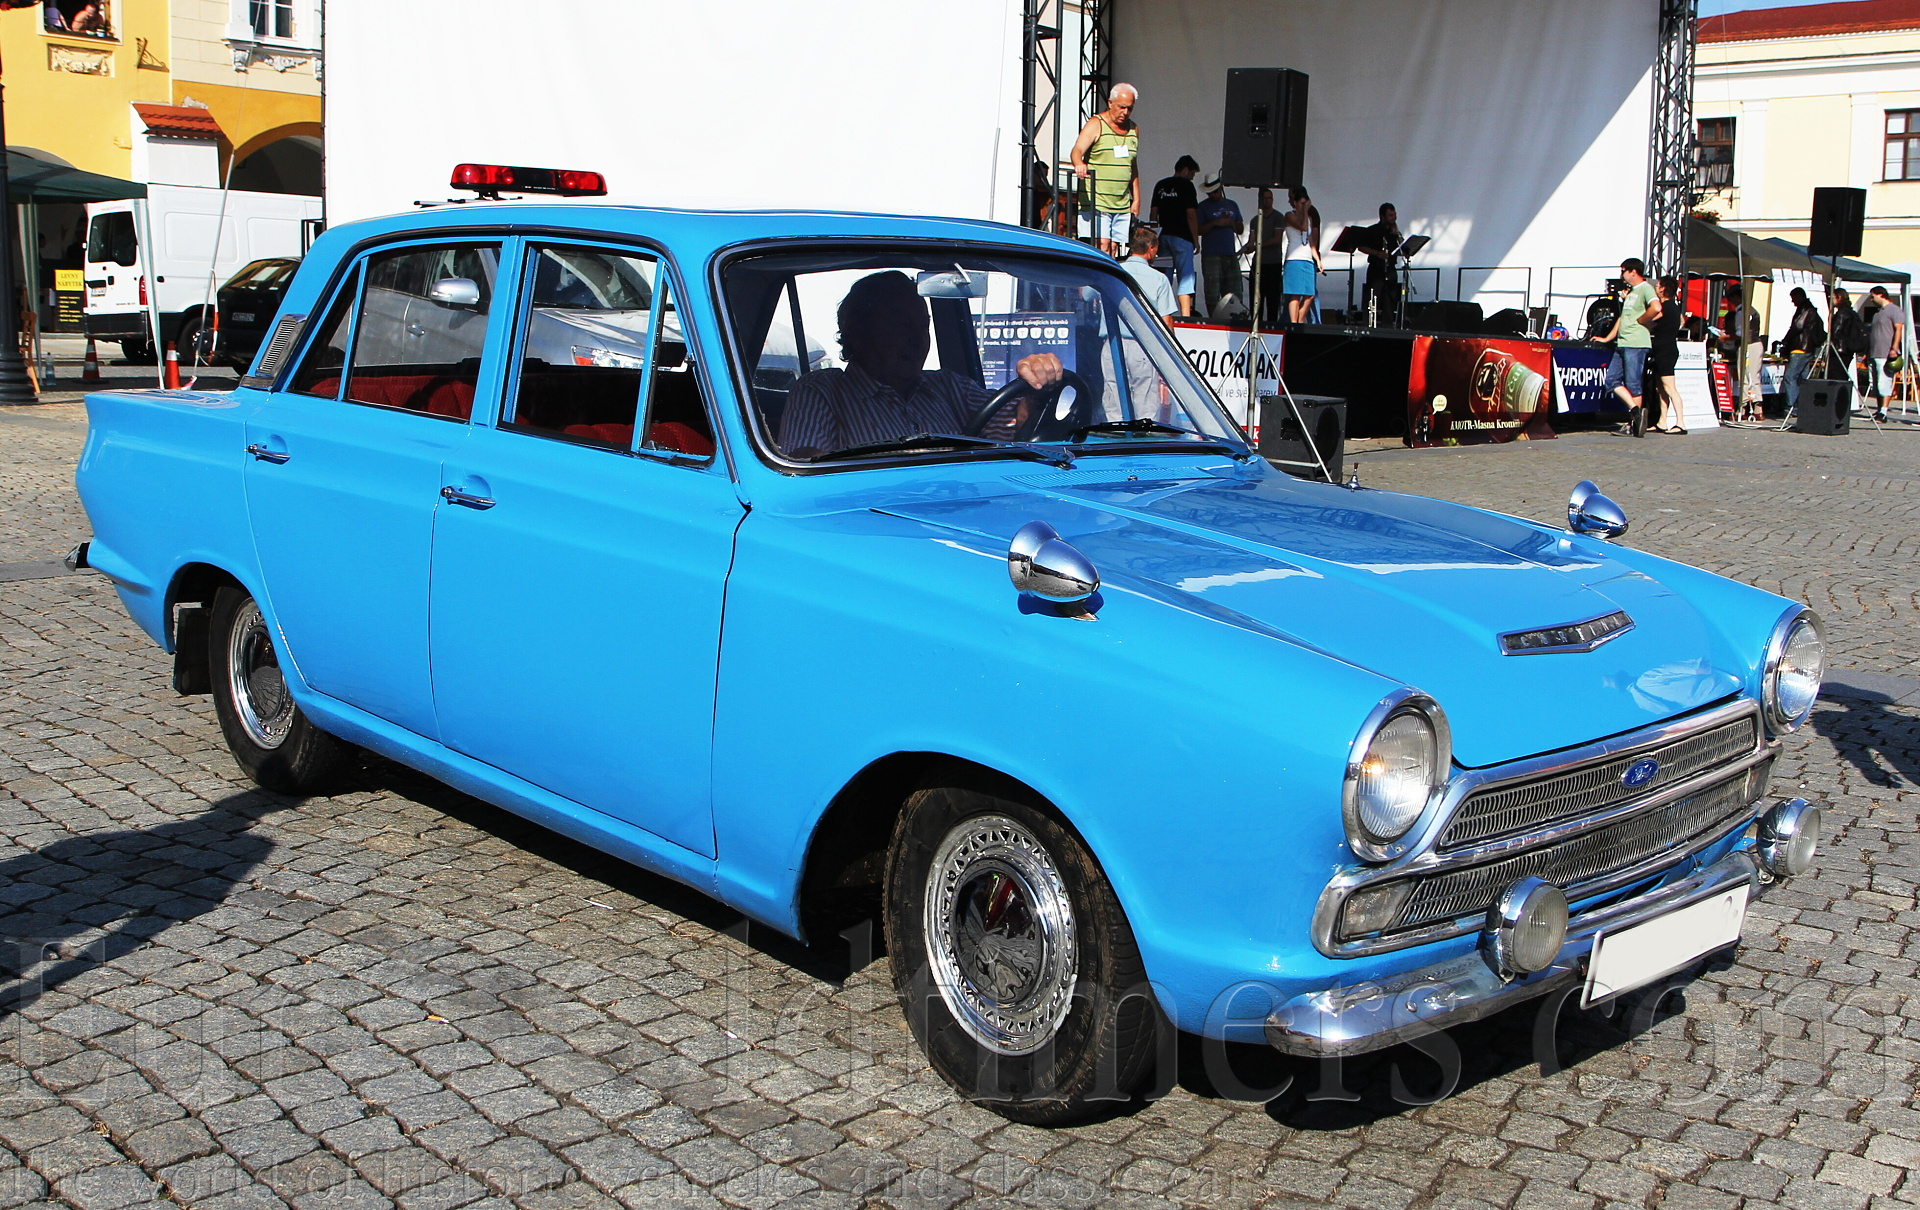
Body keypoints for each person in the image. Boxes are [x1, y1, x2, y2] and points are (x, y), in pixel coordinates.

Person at [777, 271, 1063, 459]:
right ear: (858, 333)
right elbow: (805, 473)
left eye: (922, 326)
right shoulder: (822, 391)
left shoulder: (949, 386)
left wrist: (1036, 385)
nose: (917, 340)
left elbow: (1017, 430)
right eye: (901, 326)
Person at [1070, 84, 1140, 258]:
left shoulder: (1133, 129)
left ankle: (1109, 275)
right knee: (1102, 244)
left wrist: (1137, 198)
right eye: (1121, 107)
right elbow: (1077, 150)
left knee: (1114, 247)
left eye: (1129, 108)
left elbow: (1132, 166)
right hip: (1098, 200)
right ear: (1110, 103)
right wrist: (1079, 164)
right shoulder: (1096, 124)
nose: (1125, 112)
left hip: (1121, 202)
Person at [1597, 257, 1661, 436]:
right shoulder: (1631, 292)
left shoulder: (1645, 288)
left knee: (1633, 384)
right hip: (1623, 342)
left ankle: (1634, 424)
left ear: (1633, 272)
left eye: (1623, 271)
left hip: (1636, 343)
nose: (1621, 275)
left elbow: (1657, 308)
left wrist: (1642, 320)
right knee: (1612, 380)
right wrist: (1607, 338)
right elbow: (1622, 318)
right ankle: (1635, 411)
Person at [1150, 156, 1201, 317]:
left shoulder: (1161, 185)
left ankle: (1160, 314)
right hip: (1182, 236)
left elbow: (1153, 214)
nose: (1192, 178)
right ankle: (1186, 316)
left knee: (1163, 276)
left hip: (1163, 236)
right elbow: (1191, 214)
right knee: (1185, 276)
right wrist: (1196, 239)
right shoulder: (1187, 186)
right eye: (1192, 174)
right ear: (1185, 170)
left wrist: (1155, 237)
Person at [1195, 172, 1244, 318]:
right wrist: (1214, 223)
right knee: (1212, 292)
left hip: (1230, 253)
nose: (1213, 194)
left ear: (1221, 188)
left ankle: (1235, 320)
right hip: (1211, 254)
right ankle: (1213, 320)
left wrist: (1230, 223)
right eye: (1210, 192)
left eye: (1215, 191)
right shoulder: (1202, 207)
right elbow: (1198, 230)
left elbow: (1240, 229)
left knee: (1235, 291)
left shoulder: (1232, 205)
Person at [1648, 275, 1687, 434]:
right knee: (1661, 388)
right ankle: (1662, 421)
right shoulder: (1673, 307)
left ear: (1664, 289)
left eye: (1658, 285)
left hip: (1665, 350)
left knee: (1670, 388)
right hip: (1663, 349)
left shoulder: (1665, 307)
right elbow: (1681, 321)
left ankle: (1681, 423)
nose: (1656, 288)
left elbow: (1648, 320)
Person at [1353, 203, 1403, 325]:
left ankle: (1388, 327)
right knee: (1372, 299)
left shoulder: (1394, 232)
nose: (1393, 218)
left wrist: (1397, 236)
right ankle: (1368, 326)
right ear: (1382, 217)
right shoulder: (1372, 230)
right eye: (1390, 215)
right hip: (1376, 269)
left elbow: (1401, 249)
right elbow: (1361, 247)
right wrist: (1378, 253)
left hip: (1390, 269)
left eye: (1394, 215)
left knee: (1390, 301)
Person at [1242, 188, 1285, 325]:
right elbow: (1251, 240)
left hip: (1273, 264)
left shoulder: (1278, 217)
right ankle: (1256, 325)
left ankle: (1272, 327)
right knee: (1256, 300)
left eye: (1269, 198)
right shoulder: (1255, 220)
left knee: (1273, 301)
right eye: (1265, 198)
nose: (1267, 201)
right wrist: (1245, 249)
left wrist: (1257, 246)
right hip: (1258, 264)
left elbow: (1277, 239)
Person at [1779, 287, 1825, 416]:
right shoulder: (1810, 309)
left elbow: (1798, 326)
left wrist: (1785, 339)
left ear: (1800, 296)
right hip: (1808, 348)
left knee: (1790, 377)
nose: (1792, 301)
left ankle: (1792, 407)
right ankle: (1804, 405)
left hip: (1800, 347)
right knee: (1803, 379)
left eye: (1793, 298)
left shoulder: (1805, 309)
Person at [1122, 225, 1179, 323]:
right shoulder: (1160, 279)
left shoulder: (1113, 271)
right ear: (1151, 248)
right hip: (1143, 332)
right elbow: (1166, 320)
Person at [1865, 284, 1904, 422]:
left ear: (1880, 294)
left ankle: (1884, 412)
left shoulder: (1894, 310)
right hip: (1874, 352)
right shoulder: (1877, 313)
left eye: (1872, 296)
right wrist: (1867, 352)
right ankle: (1879, 409)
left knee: (1884, 382)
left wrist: (1894, 348)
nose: (1871, 299)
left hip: (1885, 353)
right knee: (1875, 384)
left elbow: (1898, 329)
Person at [1280, 186, 1318, 324]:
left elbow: (1311, 240)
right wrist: (1306, 211)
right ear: (1295, 203)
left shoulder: (1309, 219)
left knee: (1310, 294)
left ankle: (1300, 319)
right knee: (1295, 294)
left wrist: (1317, 259)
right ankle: (1294, 322)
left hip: (1307, 258)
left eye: (1305, 204)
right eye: (1301, 203)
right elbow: (1302, 227)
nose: (1303, 206)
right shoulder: (1289, 215)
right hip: (1294, 258)